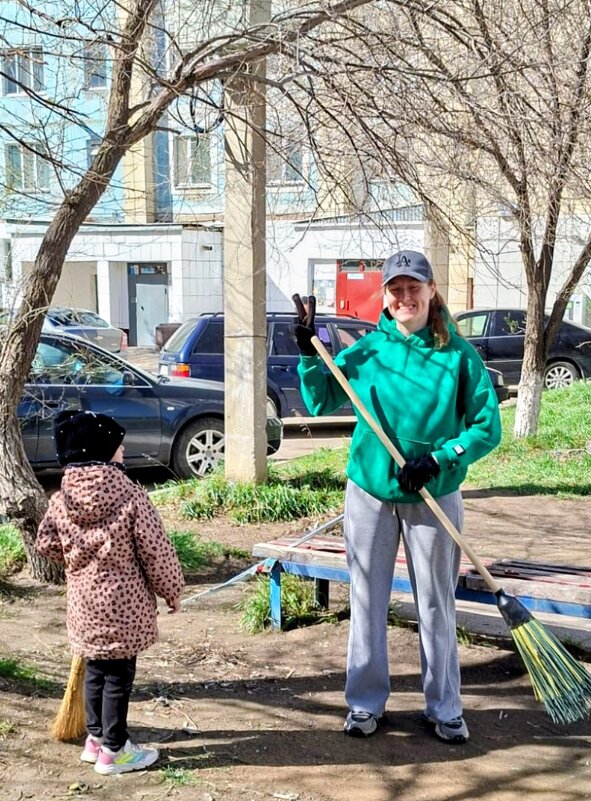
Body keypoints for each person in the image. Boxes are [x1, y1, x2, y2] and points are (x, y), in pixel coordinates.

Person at [292, 250, 501, 744]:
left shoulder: (458, 356)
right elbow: (320, 399)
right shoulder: (368, 352)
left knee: (436, 602)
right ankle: (365, 704)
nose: (405, 297)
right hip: (370, 490)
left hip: (434, 492)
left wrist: (441, 458)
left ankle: (444, 707)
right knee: (367, 597)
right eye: (396, 289)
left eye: (414, 287)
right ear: (384, 296)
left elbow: (486, 427)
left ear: (431, 291)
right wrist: (308, 352)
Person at [36, 410, 184, 774]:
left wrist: (76, 562)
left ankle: (96, 739)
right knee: (118, 675)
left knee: (96, 671)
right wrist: (172, 590)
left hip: (84, 604)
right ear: (102, 452)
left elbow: (45, 543)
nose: (123, 451)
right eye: (118, 447)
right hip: (124, 606)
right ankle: (115, 751)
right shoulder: (130, 495)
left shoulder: (61, 499)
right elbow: (156, 551)